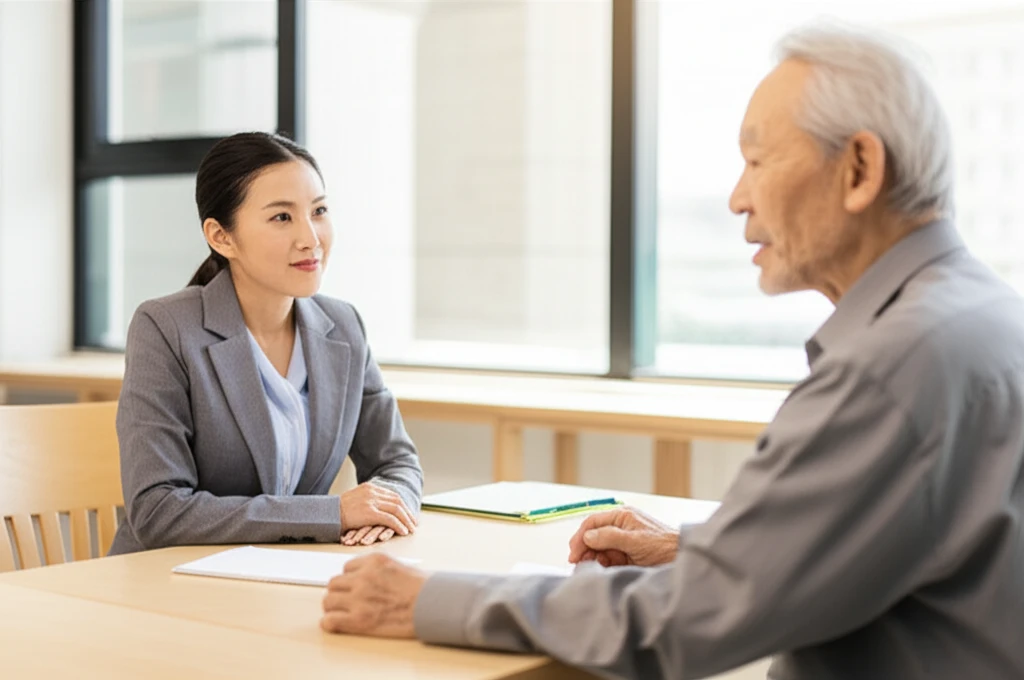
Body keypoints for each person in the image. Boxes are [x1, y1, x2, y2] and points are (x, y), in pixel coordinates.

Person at [319, 24, 1024, 680]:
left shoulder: (894, 366)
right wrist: (698, 548)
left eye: (756, 160)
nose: (737, 198)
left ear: (860, 168)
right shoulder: (979, 317)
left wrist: (430, 600)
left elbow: (690, 619)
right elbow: (899, 537)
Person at [110, 132, 423, 555]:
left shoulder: (343, 325)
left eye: (319, 211)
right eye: (282, 217)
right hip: (169, 584)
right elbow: (157, 510)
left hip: (286, 578)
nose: (310, 237)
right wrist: (333, 515)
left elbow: (396, 462)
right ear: (222, 237)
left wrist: (387, 508)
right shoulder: (165, 327)